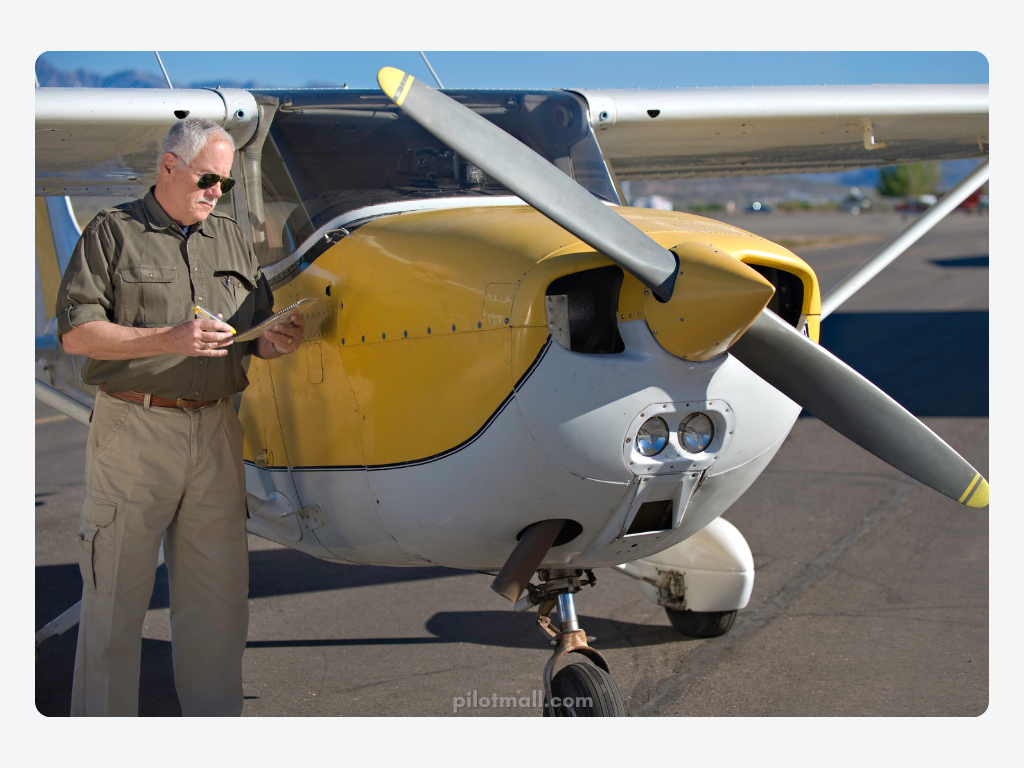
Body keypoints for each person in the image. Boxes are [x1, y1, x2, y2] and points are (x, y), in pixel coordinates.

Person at [56, 117, 305, 716]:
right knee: (114, 598)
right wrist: (171, 338)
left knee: (218, 602)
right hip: (134, 430)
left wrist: (277, 339)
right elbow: (78, 334)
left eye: (225, 182)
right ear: (169, 168)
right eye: (208, 177)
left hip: (217, 429)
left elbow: (253, 336)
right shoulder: (112, 233)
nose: (218, 191)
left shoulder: (232, 237)